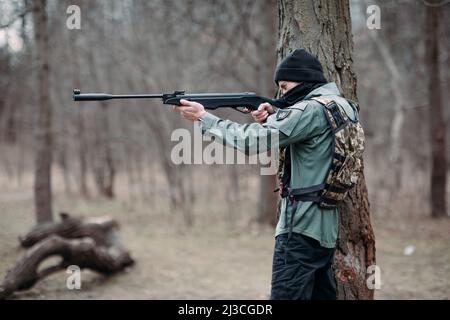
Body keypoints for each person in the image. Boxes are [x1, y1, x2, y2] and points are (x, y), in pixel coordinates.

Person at [174, 49, 359, 300]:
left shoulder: (309, 110)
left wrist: (204, 118)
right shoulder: (341, 106)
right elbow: (309, 144)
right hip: (324, 230)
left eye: (285, 86)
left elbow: (251, 142)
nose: (282, 94)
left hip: (300, 228)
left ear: (304, 80)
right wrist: (273, 117)